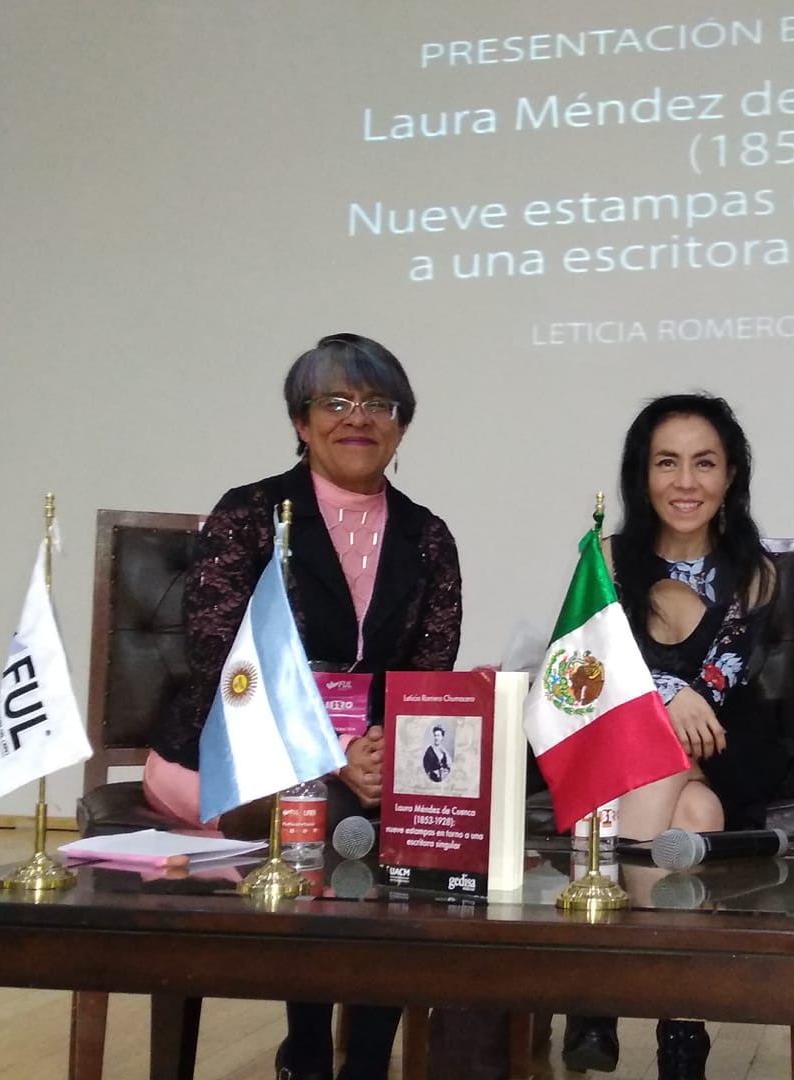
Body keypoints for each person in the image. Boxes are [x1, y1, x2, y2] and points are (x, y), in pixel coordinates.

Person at [145, 332, 463, 1080]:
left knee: (419, 828)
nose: (359, 418)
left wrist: (378, 752)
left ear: (402, 425)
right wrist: (330, 755)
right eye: (336, 402)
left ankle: (368, 1062)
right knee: (326, 815)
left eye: (379, 404)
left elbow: (425, 676)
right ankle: (312, 1050)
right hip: (230, 753)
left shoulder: (427, 536)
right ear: (301, 420)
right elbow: (222, 663)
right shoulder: (251, 514)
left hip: (365, 762)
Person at [563, 393, 794, 1080]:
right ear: (642, 475)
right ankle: (682, 1032)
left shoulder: (755, 573)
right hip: (619, 749)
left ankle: (597, 986)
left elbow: (719, 683)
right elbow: (583, 672)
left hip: (725, 744)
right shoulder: (606, 560)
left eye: (704, 463)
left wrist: (677, 695)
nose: (686, 482)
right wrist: (661, 691)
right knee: (694, 814)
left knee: (683, 767)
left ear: (730, 475)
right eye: (667, 463)